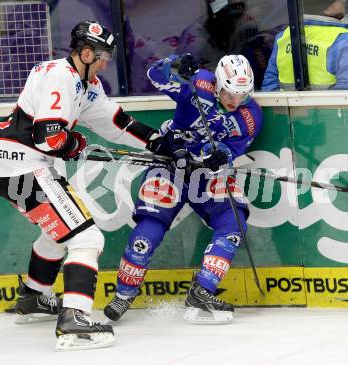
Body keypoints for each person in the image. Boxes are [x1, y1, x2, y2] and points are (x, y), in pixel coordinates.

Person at [0, 20, 184, 351]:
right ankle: (75, 320)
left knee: (58, 231)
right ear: (85, 53)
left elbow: (116, 123)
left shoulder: (85, 83)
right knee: (85, 237)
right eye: (101, 56)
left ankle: (32, 297)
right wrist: (73, 143)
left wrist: (158, 142)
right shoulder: (60, 76)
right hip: (23, 168)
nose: (105, 62)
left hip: (8, 167)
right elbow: (49, 138)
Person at [103, 53, 263, 324]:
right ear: (217, 83)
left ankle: (203, 290)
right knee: (148, 230)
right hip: (170, 164)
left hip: (206, 173)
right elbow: (154, 74)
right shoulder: (199, 82)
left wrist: (220, 156)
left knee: (234, 221)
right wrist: (175, 64)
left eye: (243, 96)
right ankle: (123, 293)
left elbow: (233, 149)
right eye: (230, 94)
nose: (235, 102)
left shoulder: (251, 115)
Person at [262, 0, 348, 90]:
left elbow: (270, 84)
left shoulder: (284, 36)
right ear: (326, 7)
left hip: (288, 113)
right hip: (327, 113)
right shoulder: (346, 39)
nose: (344, 1)